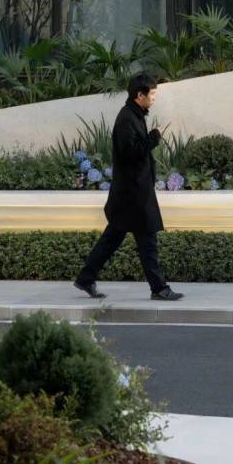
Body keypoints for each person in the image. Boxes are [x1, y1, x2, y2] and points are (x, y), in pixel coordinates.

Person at [74, 72, 183, 302]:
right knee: (147, 240)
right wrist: (154, 137)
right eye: (152, 94)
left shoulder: (134, 115)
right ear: (139, 95)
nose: (154, 98)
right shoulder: (127, 118)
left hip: (132, 192)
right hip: (133, 194)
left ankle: (85, 278)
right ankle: (159, 288)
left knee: (113, 238)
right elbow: (131, 153)